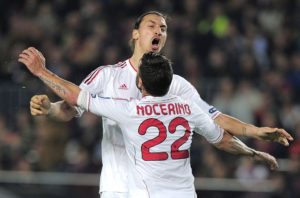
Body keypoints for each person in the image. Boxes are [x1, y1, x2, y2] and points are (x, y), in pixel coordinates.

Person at [27, 11, 292, 197]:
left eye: (163, 28)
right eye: (152, 25)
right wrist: (50, 108)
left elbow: (215, 118)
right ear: (135, 33)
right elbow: (68, 109)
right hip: (118, 184)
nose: (159, 31)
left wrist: (255, 131)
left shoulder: (176, 83)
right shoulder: (107, 75)